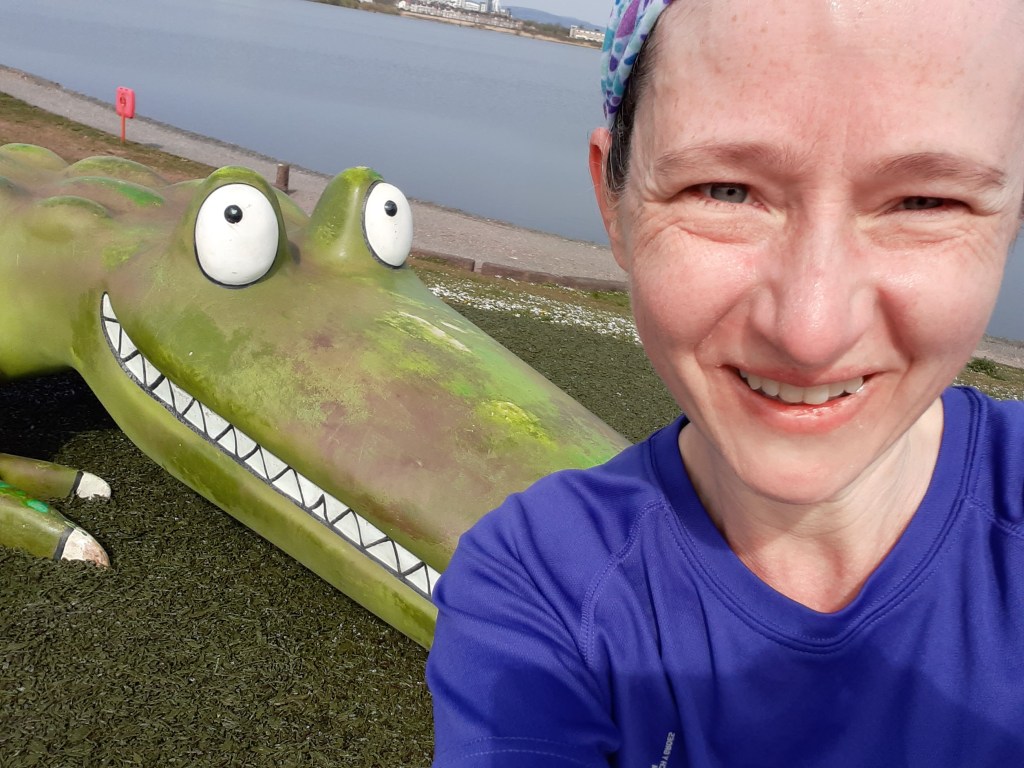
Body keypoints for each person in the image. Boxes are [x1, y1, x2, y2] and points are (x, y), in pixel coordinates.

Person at [427, 0, 1024, 764]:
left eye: (924, 201)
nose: (810, 332)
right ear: (614, 204)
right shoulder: (538, 590)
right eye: (725, 191)